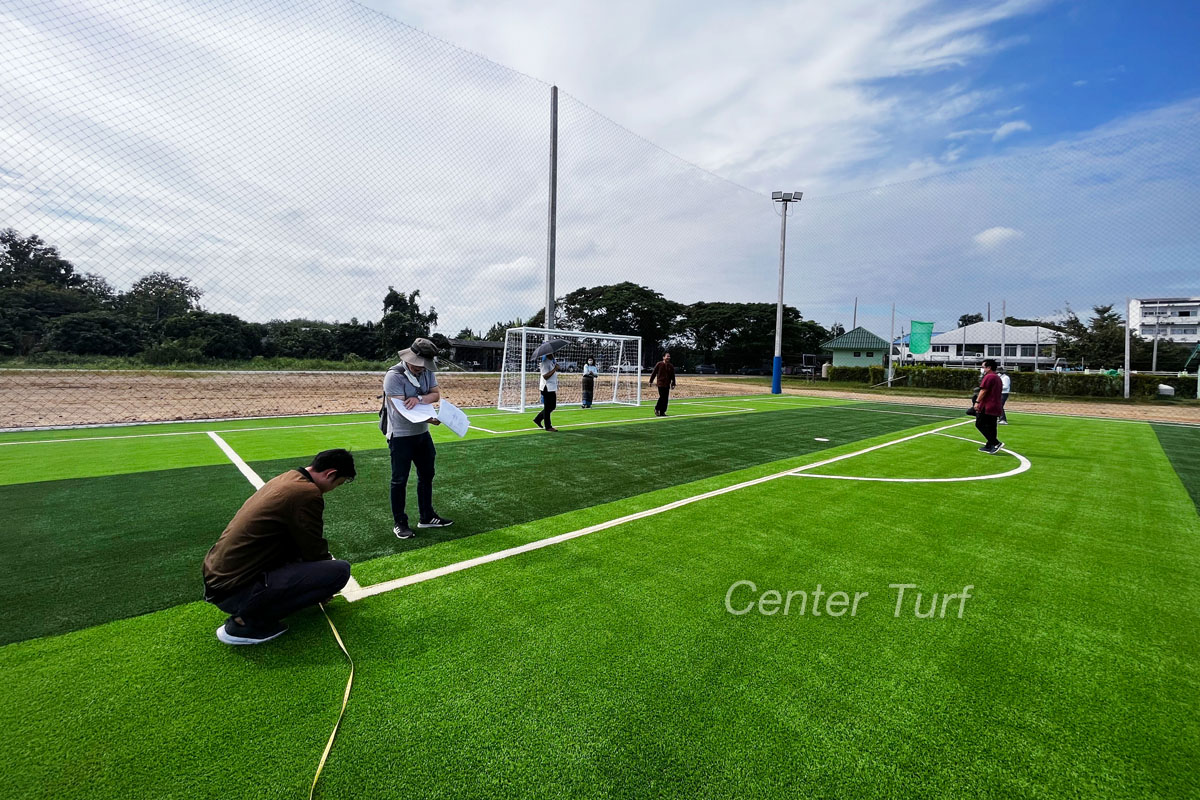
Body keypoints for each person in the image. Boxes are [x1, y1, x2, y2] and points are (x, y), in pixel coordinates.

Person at [203, 449, 356, 645]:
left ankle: (255, 606)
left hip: (218, 579)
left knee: (301, 558)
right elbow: (313, 547)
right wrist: (323, 581)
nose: (333, 488)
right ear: (330, 474)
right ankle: (246, 622)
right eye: (338, 483)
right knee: (340, 572)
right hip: (234, 588)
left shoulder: (289, 477)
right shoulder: (308, 493)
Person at [383, 337, 453, 539]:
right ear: (409, 358)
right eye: (418, 366)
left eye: (424, 366)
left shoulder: (427, 371)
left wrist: (420, 399)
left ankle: (427, 516)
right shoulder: (393, 376)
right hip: (401, 435)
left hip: (422, 434)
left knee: (427, 474)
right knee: (399, 480)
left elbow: (435, 395)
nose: (421, 369)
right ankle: (400, 522)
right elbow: (401, 408)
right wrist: (427, 417)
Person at [971, 359, 1004, 454]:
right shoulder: (997, 377)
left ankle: (996, 443)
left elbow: (983, 390)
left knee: (980, 424)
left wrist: (977, 402)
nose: (982, 369)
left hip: (988, 405)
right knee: (991, 426)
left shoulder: (989, 377)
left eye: (983, 367)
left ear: (989, 368)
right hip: (995, 405)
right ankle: (990, 445)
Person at [533, 354, 559, 431]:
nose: (553, 355)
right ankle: (548, 426)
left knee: (552, 406)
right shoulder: (545, 363)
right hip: (546, 387)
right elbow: (545, 376)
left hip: (552, 387)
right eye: (552, 353)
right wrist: (554, 369)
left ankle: (538, 419)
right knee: (548, 407)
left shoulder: (551, 362)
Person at [648, 352, 677, 416]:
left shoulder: (670, 366)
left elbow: (673, 376)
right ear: (663, 357)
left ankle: (662, 412)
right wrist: (650, 381)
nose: (668, 358)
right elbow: (654, 373)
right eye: (667, 356)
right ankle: (657, 408)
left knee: (666, 398)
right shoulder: (659, 364)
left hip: (667, 384)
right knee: (662, 397)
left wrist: (673, 383)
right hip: (660, 383)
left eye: (669, 356)